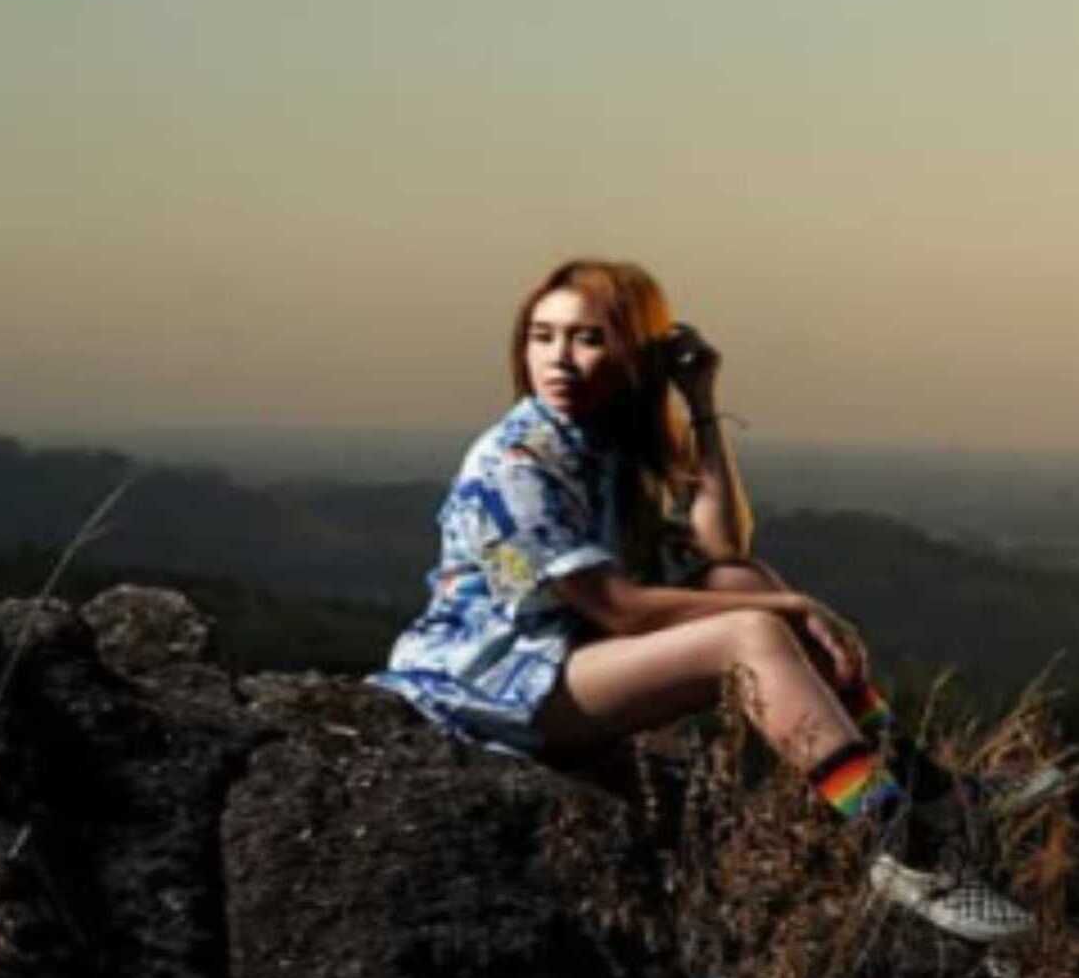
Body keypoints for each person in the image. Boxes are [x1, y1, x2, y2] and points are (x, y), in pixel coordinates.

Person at [370, 257, 1042, 943]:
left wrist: (700, 403)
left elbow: (724, 546)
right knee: (749, 631)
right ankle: (901, 849)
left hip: (570, 653)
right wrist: (797, 607)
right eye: (542, 336)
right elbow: (620, 610)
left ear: (637, 352)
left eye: (587, 338)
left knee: (741, 584)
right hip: (499, 682)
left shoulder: (604, 443)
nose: (560, 359)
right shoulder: (516, 462)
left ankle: (932, 792)